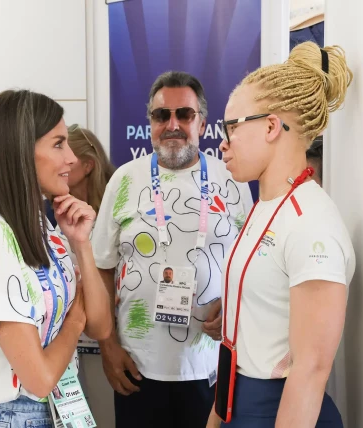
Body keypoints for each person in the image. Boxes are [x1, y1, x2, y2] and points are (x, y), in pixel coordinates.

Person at [92, 71, 253, 428]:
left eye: (185, 114)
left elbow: (252, 263)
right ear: (150, 121)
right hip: (137, 367)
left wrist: (232, 308)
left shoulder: (232, 179)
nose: (173, 124)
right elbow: (100, 266)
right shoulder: (124, 180)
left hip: (211, 368)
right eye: (162, 115)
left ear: (203, 122)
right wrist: (108, 347)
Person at [0, 89, 111, 427]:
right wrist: (75, 322)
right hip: (17, 415)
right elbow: (39, 379)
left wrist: (81, 244)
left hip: (60, 407)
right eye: (58, 144)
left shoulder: (41, 223)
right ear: (20, 151)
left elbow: (101, 325)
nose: (72, 160)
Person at [208, 42, 356, 427]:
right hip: (235, 403)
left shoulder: (311, 224)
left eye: (231, 127)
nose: (222, 142)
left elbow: (310, 369)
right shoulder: (265, 206)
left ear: (271, 126)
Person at [56, 123, 116, 427]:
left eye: (68, 152)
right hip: (65, 348)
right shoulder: (52, 210)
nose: (63, 160)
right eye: (57, 148)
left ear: (88, 165)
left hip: (105, 338)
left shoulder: (114, 208)